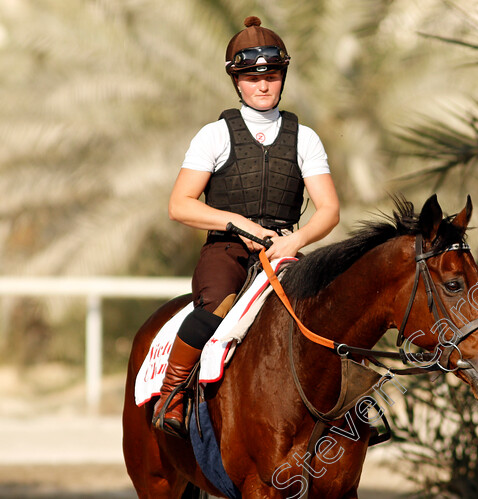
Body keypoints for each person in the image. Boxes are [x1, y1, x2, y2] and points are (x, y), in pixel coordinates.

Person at [152, 16, 340, 438]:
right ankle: (172, 396)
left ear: (281, 78)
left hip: (284, 247)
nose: (263, 86)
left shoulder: (305, 138)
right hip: (227, 251)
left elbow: (329, 210)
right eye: (252, 78)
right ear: (236, 81)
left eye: (271, 76)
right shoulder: (214, 135)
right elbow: (179, 205)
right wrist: (236, 223)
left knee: (331, 312)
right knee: (217, 306)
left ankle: (353, 413)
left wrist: (296, 239)